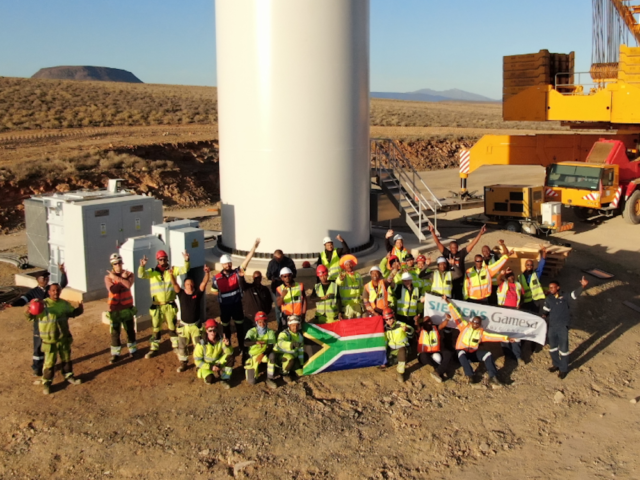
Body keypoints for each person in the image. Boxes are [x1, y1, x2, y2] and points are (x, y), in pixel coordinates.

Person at [7, 265, 67, 378]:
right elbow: (23, 300)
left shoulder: (51, 290)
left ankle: (49, 365)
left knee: (51, 344)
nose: (45, 280)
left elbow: (62, 284)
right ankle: (37, 367)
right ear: (37, 280)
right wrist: (13, 304)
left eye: (47, 278)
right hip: (39, 323)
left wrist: (63, 273)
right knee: (38, 345)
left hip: (51, 323)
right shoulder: (33, 293)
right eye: (43, 278)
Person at [445, 296, 517, 387]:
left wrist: (506, 338)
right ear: (471, 322)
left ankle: (493, 377)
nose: (475, 324)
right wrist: (448, 302)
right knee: (461, 353)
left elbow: (493, 337)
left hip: (472, 354)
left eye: (477, 323)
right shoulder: (464, 327)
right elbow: (456, 315)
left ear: (479, 324)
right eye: (474, 322)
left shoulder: (481, 333)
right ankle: (471, 376)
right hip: (462, 354)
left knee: (488, 354)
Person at [25, 284, 83, 395]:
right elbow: (30, 317)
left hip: (63, 339)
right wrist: (28, 311)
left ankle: (69, 376)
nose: (55, 292)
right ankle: (47, 383)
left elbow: (72, 313)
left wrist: (80, 310)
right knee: (49, 363)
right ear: (49, 292)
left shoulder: (64, 304)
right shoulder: (42, 305)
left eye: (57, 290)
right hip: (49, 341)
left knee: (66, 359)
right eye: (53, 290)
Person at [138, 250, 190, 358]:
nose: (163, 261)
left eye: (165, 259)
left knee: (172, 327)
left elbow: (185, 269)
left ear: (167, 260)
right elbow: (141, 275)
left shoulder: (172, 270)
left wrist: (186, 260)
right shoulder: (152, 272)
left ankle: (176, 346)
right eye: (161, 259)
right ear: (157, 260)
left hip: (169, 304)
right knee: (156, 328)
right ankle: (154, 348)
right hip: (157, 305)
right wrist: (142, 266)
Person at [211, 238, 260, 344]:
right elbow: (213, 291)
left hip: (237, 305)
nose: (228, 265)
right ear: (222, 265)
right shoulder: (216, 278)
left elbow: (246, 261)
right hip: (224, 308)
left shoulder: (237, 273)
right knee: (226, 328)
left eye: (229, 263)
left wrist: (253, 248)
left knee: (240, 328)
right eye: (225, 264)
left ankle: (242, 347)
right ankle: (228, 347)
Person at [542, 277, 588, 379]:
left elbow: (574, 294)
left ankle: (563, 369)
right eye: (550, 288)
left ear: (558, 287)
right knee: (553, 348)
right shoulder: (549, 299)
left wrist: (582, 286)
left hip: (562, 326)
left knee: (563, 349)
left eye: (553, 287)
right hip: (552, 326)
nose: (551, 289)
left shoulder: (565, 296)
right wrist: (544, 316)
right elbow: (546, 310)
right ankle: (556, 364)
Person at [429, 224, 487, 300]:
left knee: (459, 299)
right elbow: (438, 243)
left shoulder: (461, 254)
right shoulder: (447, 253)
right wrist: (432, 232)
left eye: (455, 247)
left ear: (457, 247)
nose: (454, 249)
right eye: (452, 247)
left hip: (460, 281)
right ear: (449, 247)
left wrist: (480, 233)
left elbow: (472, 244)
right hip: (449, 282)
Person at [170, 266, 210, 373]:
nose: (190, 286)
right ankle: (184, 363)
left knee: (198, 346)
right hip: (184, 327)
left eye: (191, 284)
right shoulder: (181, 294)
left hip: (196, 326)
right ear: (184, 285)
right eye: (187, 284)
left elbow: (204, 283)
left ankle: (198, 363)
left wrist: (207, 273)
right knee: (182, 346)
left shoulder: (197, 293)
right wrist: (171, 275)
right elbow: (174, 284)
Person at [104, 253, 137, 364]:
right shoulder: (108, 278)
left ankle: (133, 350)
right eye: (115, 263)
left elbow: (128, 285)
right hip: (114, 310)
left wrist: (117, 278)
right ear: (112, 265)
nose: (118, 265)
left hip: (127, 308)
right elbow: (113, 290)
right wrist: (121, 279)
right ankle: (115, 354)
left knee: (130, 330)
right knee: (114, 332)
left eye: (119, 263)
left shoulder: (129, 274)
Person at [496, 268, 526, 367]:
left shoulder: (518, 285)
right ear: (506, 278)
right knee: (504, 333)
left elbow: (523, 296)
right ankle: (508, 354)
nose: (511, 277)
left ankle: (517, 356)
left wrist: (520, 304)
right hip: (504, 312)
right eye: (509, 276)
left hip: (515, 312)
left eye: (512, 275)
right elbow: (498, 279)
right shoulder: (503, 284)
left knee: (515, 334)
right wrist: (502, 273)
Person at [193, 319, 233, 389]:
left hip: (217, 362)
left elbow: (229, 353)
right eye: (210, 330)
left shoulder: (221, 340)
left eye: (214, 330)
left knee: (230, 357)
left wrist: (227, 346)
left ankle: (224, 379)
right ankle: (203, 373)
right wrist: (211, 367)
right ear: (206, 331)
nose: (212, 332)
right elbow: (197, 360)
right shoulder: (201, 344)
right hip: (207, 365)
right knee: (210, 380)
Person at [269, 315, 305, 387]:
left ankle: (290, 369)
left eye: (296, 325)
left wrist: (301, 363)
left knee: (301, 372)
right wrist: (291, 344)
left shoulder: (300, 337)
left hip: (293, 357)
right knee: (290, 358)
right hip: (279, 356)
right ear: (289, 325)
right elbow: (280, 343)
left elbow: (301, 351)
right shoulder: (284, 333)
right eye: (293, 325)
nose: (295, 327)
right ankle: (283, 373)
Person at [243, 311, 277, 386]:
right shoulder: (252, 331)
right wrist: (255, 342)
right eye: (260, 322)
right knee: (252, 381)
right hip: (253, 356)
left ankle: (270, 378)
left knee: (272, 355)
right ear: (256, 322)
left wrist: (262, 354)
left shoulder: (270, 332)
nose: (262, 324)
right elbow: (246, 343)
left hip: (264, 354)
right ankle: (258, 369)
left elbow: (271, 346)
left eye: (264, 321)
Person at [382, 308, 414, 383]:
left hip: (404, 349)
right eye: (387, 319)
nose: (389, 321)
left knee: (402, 351)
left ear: (394, 317)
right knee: (385, 362)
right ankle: (394, 361)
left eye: (390, 318)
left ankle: (400, 372)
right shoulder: (385, 328)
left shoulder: (401, 325)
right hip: (393, 351)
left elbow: (412, 332)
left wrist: (407, 330)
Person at [267, 249, 297, 327]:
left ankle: (290, 323)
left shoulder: (289, 262)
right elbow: (268, 275)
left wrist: (286, 277)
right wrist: (273, 278)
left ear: (283, 256)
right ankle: (280, 325)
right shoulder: (272, 263)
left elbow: (294, 273)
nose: (278, 260)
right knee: (278, 307)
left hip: (288, 287)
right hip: (276, 288)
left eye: (279, 258)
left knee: (289, 304)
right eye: (276, 258)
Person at [417, 315, 451, 383]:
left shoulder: (435, 328)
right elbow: (416, 326)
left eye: (429, 320)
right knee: (424, 356)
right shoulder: (421, 330)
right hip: (424, 354)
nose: (428, 322)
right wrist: (416, 321)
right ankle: (440, 369)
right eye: (426, 321)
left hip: (435, 352)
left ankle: (438, 371)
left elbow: (442, 325)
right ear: (423, 323)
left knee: (448, 353)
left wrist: (447, 319)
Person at [519, 246, 547, 313]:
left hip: (535, 300)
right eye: (528, 265)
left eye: (531, 265)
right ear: (525, 266)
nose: (529, 266)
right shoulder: (520, 276)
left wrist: (544, 252)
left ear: (533, 266)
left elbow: (542, 263)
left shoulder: (536, 274)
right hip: (525, 301)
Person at [482, 239, 509, 305]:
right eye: (484, 251)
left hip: (497, 284)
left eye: (488, 250)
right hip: (487, 286)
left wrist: (502, 244)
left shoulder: (495, 257)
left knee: (498, 301)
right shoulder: (481, 261)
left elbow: (506, 253)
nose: (486, 252)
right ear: (482, 252)